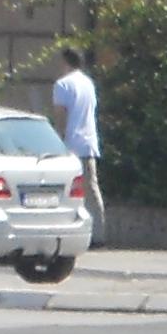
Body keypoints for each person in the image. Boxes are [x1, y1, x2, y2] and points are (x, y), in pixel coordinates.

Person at [52, 44, 105, 243]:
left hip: (70, 145)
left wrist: (58, 141)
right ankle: (99, 233)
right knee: (91, 188)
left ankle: (66, 235)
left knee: (65, 191)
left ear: (65, 62)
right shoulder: (88, 83)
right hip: (89, 142)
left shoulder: (62, 85)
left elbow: (61, 116)